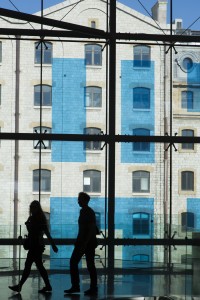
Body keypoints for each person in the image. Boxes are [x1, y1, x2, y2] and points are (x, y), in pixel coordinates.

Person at [9, 200, 58, 294]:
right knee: (38, 266)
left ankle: (20, 286)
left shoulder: (36, 219)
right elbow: (43, 233)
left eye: (33, 207)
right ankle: (47, 285)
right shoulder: (37, 219)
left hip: (35, 246)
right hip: (36, 246)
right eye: (32, 207)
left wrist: (53, 245)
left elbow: (43, 233)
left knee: (29, 266)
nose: (32, 209)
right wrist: (53, 245)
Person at [64, 192, 98, 296]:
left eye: (79, 199)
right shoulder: (85, 211)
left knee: (76, 262)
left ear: (84, 200)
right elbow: (86, 229)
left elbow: (89, 229)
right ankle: (91, 287)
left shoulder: (87, 212)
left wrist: (83, 243)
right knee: (89, 265)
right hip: (86, 242)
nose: (78, 201)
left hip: (86, 242)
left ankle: (77, 286)